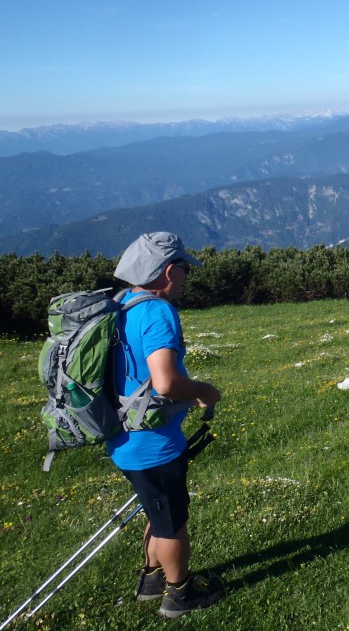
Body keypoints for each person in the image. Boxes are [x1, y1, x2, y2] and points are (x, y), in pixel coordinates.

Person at [109, 231, 225, 619]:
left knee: (156, 512)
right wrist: (205, 390)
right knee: (172, 522)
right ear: (170, 270)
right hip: (153, 443)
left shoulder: (123, 303)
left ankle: (151, 579)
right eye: (185, 269)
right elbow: (165, 382)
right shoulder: (157, 311)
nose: (187, 276)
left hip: (124, 437)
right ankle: (179, 594)